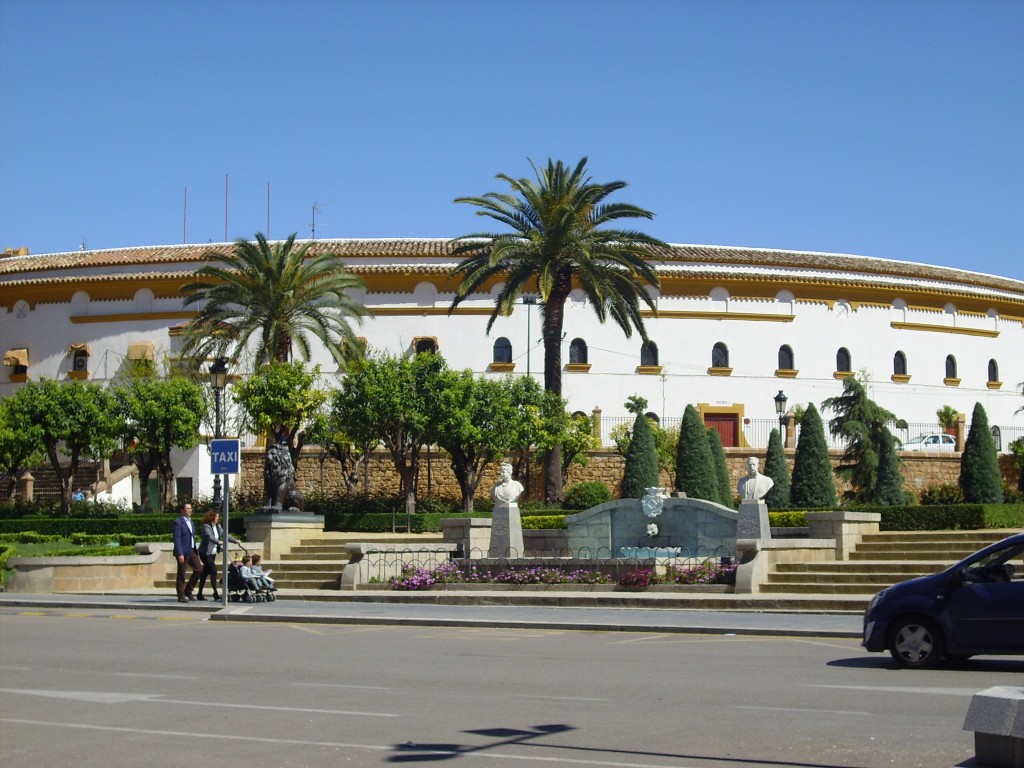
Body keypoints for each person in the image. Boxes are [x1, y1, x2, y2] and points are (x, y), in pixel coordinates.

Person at [196, 509, 239, 601]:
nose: (217, 519)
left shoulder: (218, 526)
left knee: (205, 573)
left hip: (213, 553)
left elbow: (225, 535)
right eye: (216, 517)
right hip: (205, 553)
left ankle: (199, 593)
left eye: (218, 517)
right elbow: (209, 536)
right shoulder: (206, 527)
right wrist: (219, 542)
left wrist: (235, 541)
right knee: (213, 571)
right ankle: (215, 593)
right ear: (211, 517)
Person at [171, 502, 203, 602]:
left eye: (191, 508)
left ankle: (188, 590)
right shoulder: (178, 522)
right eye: (187, 508)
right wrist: (180, 553)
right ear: (182, 510)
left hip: (192, 550)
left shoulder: (191, 522)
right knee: (182, 574)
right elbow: (176, 539)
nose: (190, 510)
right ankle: (180, 595)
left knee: (199, 569)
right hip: (183, 551)